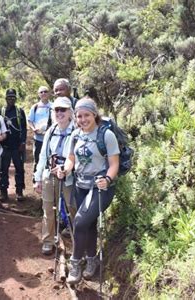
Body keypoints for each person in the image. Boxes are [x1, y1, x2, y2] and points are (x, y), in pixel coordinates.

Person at [57, 98, 119, 284]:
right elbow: (71, 159)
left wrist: (107, 179)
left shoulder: (106, 135)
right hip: (80, 186)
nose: (83, 119)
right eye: (79, 116)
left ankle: (75, 264)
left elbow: (114, 164)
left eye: (86, 115)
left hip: (100, 188)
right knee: (88, 225)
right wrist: (65, 169)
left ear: (94, 114)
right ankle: (91, 262)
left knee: (80, 222)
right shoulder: (75, 135)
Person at [33, 97, 77, 255]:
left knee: (72, 209)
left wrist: (66, 170)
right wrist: (37, 178)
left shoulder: (77, 132)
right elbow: (43, 156)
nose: (59, 113)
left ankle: (76, 244)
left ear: (70, 112)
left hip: (69, 178)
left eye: (63, 110)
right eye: (57, 110)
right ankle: (48, 241)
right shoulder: (50, 131)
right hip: (49, 176)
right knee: (48, 209)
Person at [0, 88, 27, 201]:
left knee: (19, 169)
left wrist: (23, 142)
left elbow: (24, 128)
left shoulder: (20, 111)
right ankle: (3, 192)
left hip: (17, 146)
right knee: (3, 169)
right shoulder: (1, 111)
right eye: (9, 97)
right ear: (6, 98)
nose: (11, 99)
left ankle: (19, 192)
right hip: (4, 146)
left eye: (13, 97)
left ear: (15, 99)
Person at [28, 86, 53, 183]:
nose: (43, 93)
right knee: (37, 159)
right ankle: (36, 180)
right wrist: (33, 128)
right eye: (41, 92)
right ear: (38, 94)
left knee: (50, 159)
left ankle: (48, 180)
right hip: (38, 139)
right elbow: (30, 120)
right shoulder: (35, 107)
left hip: (51, 139)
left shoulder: (53, 106)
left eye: (45, 91)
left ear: (49, 93)